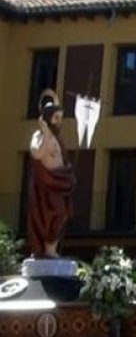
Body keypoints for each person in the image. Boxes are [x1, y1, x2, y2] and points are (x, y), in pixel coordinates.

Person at [27, 93, 75, 258]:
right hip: (45, 185)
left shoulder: (58, 138)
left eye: (60, 118)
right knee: (54, 213)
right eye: (56, 118)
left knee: (62, 214)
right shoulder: (39, 136)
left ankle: (51, 248)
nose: (59, 121)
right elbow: (37, 153)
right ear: (47, 118)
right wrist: (46, 133)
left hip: (59, 183)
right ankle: (45, 248)